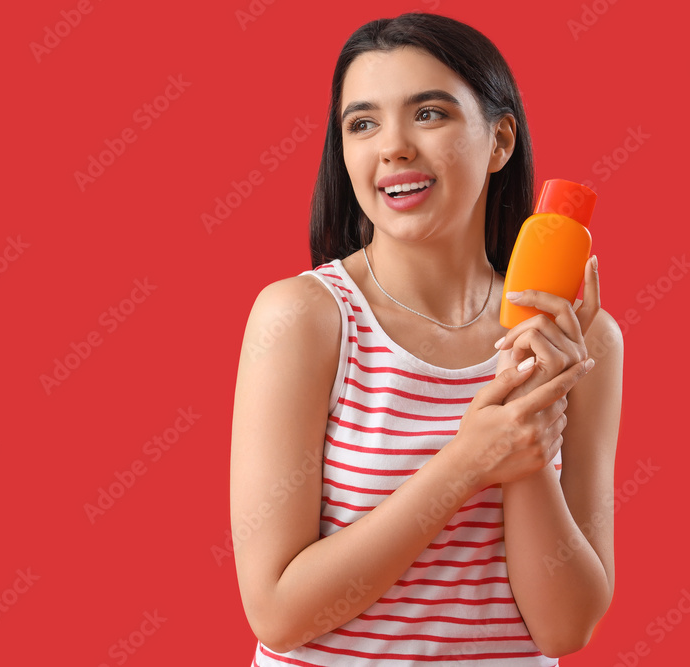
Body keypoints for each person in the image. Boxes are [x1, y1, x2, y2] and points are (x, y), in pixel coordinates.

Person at [229, 11, 623, 666]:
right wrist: (467, 460)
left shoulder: (583, 338)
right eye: (362, 123)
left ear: (500, 141)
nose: (393, 146)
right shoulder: (304, 318)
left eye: (429, 113)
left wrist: (524, 427)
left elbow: (565, 629)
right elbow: (278, 611)